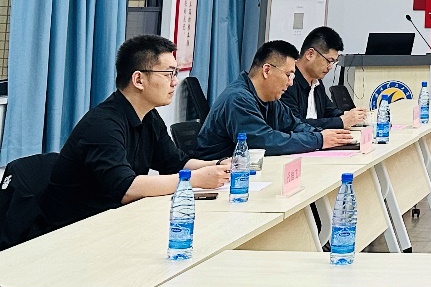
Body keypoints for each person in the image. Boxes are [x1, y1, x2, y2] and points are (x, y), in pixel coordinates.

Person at [42, 35, 230, 230]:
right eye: (168, 74)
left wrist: (220, 165)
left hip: (115, 221)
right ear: (138, 79)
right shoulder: (103, 125)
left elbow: (175, 162)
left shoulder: (149, 116)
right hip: (75, 230)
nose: (175, 82)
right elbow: (126, 188)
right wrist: (195, 179)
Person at [194, 40, 356, 158]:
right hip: (218, 176)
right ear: (267, 70)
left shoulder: (270, 99)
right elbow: (264, 141)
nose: (291, 82)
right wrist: (319, 139)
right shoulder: (238, 99)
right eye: (288, 75)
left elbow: (294, 125)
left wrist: (327, 136)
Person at [280, 26, 368, 129]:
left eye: (333, 62)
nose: (330, 67)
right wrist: (341, 121)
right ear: (310, 54)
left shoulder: (317, 82)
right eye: (329, 61)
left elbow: (329, 111)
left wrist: (351, 116)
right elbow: (294, 124)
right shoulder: (287, 82)